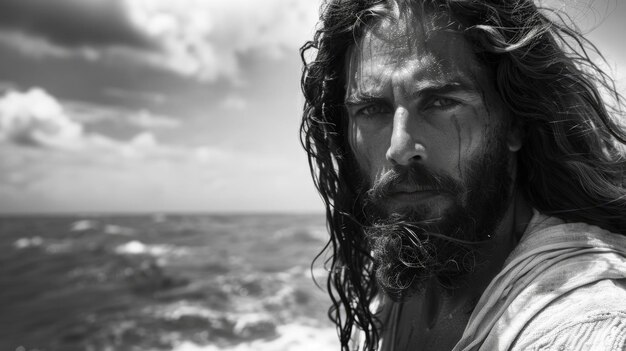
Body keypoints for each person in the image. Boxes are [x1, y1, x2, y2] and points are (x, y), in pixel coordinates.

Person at [300, 0, 626, 350]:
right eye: (370, 109)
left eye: (440, 103)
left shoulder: (579, 328)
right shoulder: (406, 272)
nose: (399, 147)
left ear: (514, 123)